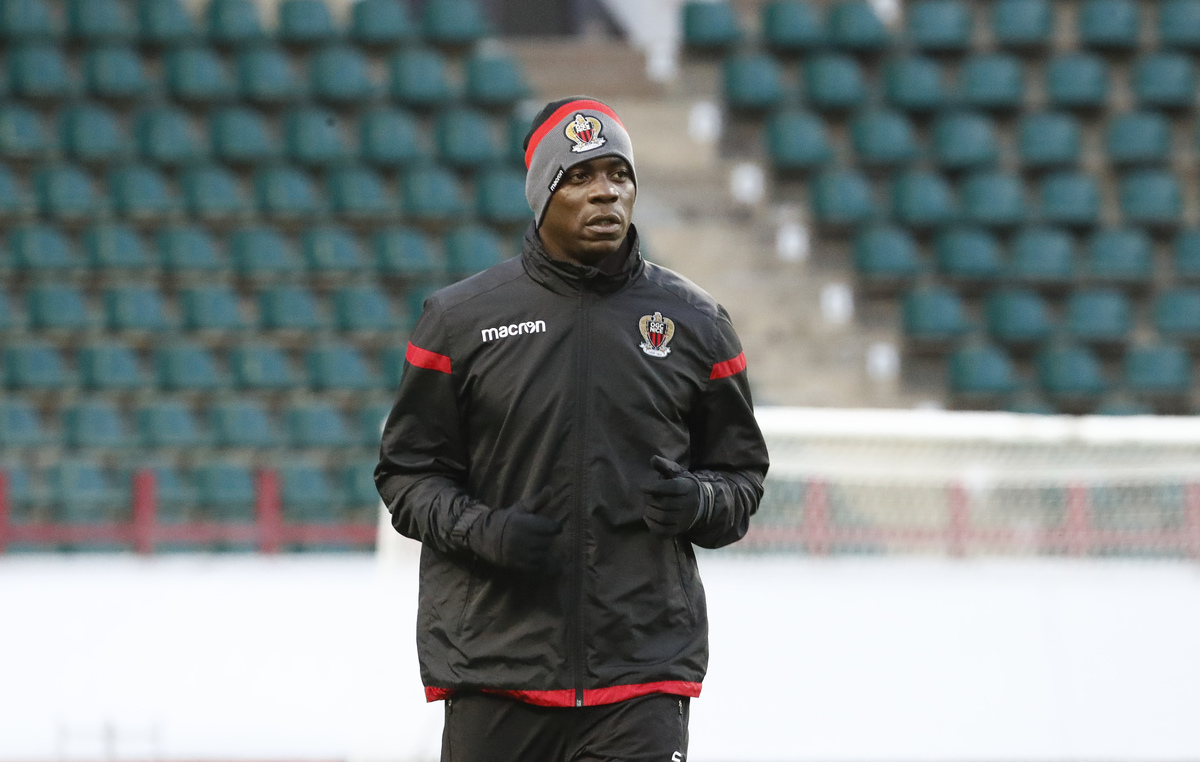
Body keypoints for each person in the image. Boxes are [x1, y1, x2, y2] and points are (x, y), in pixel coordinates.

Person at [376, 96, 769, 761]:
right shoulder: (459, 321)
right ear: (542, 195)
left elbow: (742, 478)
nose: (606, 192)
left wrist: (700, 501)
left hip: (642, 675)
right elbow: (406, 475)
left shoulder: (698, 324)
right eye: (579, 175)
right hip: (496, 671)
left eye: (619, 174)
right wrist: (484, 531)